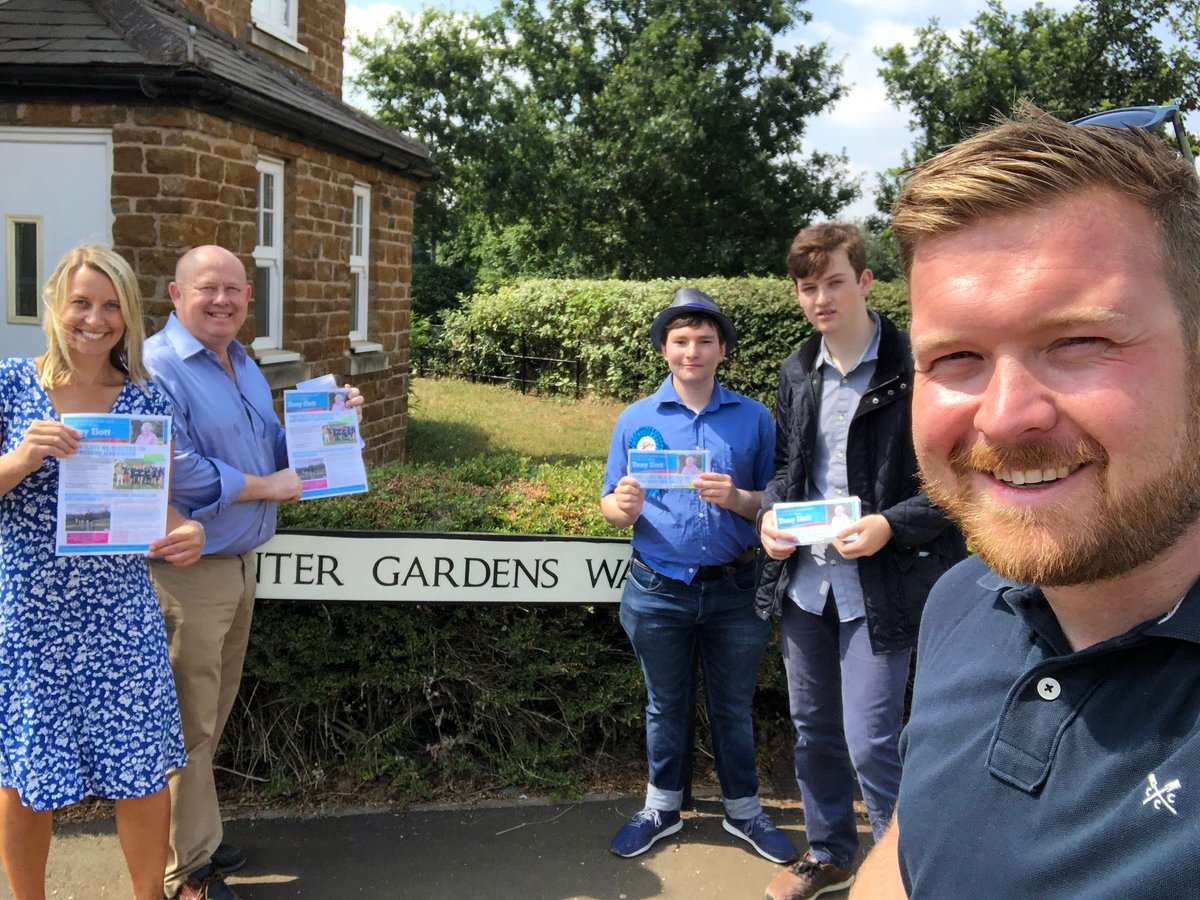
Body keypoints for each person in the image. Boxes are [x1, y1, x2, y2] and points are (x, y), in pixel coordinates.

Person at [849, 105, 1200, 899]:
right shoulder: (961, 600)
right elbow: (913, 849)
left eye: (1080, 342)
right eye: (957, 356)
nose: (1006, 416)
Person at [144, 246, 364, 900]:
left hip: (240, 565)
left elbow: (273, 451)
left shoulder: (241, 362)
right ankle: (187, 875)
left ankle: (198, 839)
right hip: (187, 573)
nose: (223, 300)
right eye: (207, 288)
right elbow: (178, 470)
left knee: (213, 713)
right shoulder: (159, 367)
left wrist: (331, 422)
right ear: (175, 294)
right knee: (189, 724)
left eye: (235, 290)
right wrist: (269, 484)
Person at [756, 223, 965, 900]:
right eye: (808, 286)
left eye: (835, 282)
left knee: (874, 739)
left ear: (866, 281)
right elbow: (790, 470)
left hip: (881, 581)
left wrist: (888, 525)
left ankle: (901, 870)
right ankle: (830, 855)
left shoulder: (917, 366)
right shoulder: (796, 369)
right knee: (814, 730)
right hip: (807, 584)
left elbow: (955, 482)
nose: (821, 297)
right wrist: (771, 521)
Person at [0, 245, 204, 900]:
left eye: (112, 305)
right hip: (31, 612)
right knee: (28, 773)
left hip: (119, 609)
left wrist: (184, 529)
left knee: (141, 769)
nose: (97, 318)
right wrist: (22, 457)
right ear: (56, 308)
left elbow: (153, 501)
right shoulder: (8, 386)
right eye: (83, 302)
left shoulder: (145, 397)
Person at [600, 288, 796, 864]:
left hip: (735, 589)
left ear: (723, 350)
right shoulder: (635, 419)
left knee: (734, 704)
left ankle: (744, 812)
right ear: (664, 348)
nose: (692, 351)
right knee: (665, 703)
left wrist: (737, 498)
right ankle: (660, 809)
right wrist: (625, 508)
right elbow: (611, 502)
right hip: (658, 587)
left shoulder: (753, 418)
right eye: (681, 340)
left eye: (704, 341)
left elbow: (774, 503)